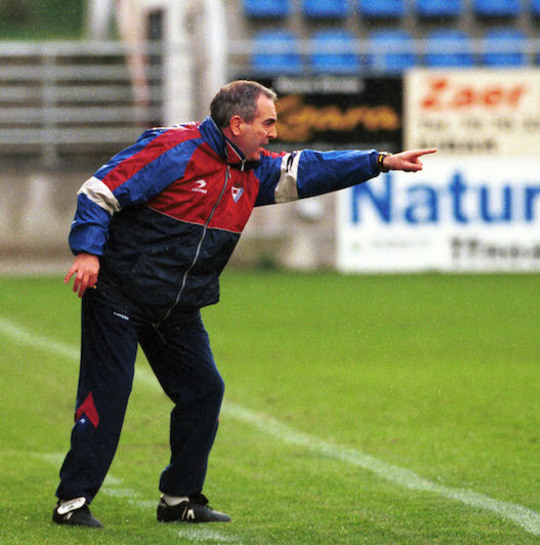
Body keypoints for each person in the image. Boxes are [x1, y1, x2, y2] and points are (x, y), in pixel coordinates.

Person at [54, 79, 436, 528]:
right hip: (118, 293)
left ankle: (179, 500)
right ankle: (72, 502)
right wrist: (87, 252)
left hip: (176, 306)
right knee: (110, 394)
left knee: (203, 391)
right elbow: (99, 191)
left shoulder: (251, 169)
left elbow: (308, 168)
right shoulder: (174, 148)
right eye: (267, 123)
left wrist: (378, 162)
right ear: (237, 124)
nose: (274, 133)